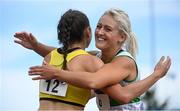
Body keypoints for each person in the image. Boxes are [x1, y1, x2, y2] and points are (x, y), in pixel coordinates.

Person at [15, 8, 171, 110]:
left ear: (121, 37)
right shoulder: (94, 58)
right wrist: (37, 46)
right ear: (89, 31)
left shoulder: (123, 61)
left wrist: (156, 75)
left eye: (107, 29)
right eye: (99, 26)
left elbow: (121, 94)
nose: (100, 32)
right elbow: (69, 54)